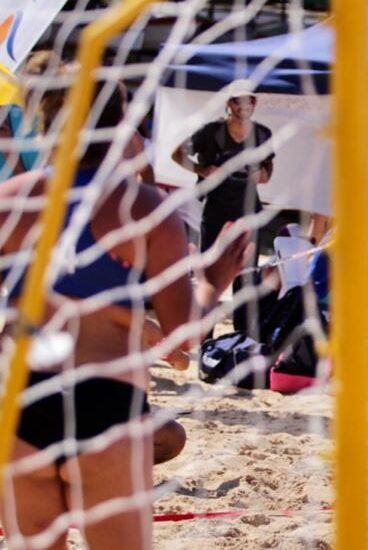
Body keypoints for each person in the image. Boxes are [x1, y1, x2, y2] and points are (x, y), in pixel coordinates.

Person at [0, 80, 252, 550]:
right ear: (120, 126)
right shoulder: (144, 208)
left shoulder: (10, 200)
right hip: (106, 400)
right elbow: (183, 339)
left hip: (21, 398)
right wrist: (214, 281)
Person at [172, 79, 273, 336]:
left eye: (249, 100)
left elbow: (269, 167)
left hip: (250, 212)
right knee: (209, 276)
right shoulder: (211, 132)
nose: (244, 105)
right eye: (238, 100)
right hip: (216, 212)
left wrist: (263, 174)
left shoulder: (263, 134)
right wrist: (202, 169)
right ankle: (205, 337)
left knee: (247, 276)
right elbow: (177, 154)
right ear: (229, 104)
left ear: (254, 103)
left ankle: (243, 338)